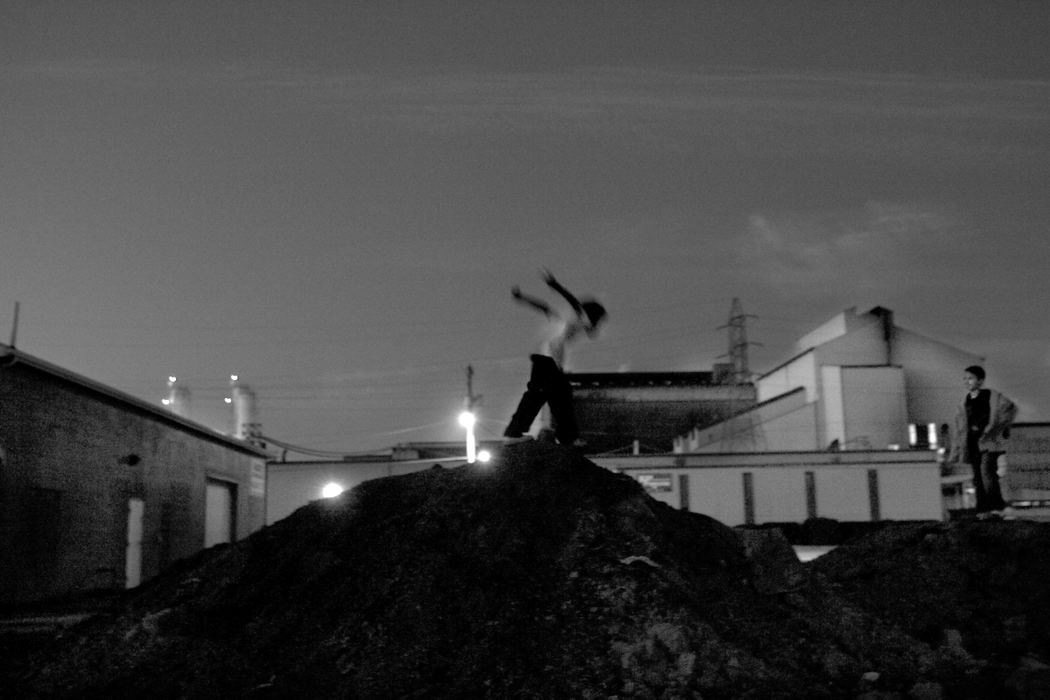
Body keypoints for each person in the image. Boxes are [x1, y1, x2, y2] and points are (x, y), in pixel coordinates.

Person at [503, 269, 607, 447]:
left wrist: (522, 298)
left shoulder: (562, 318)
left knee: (560, 397)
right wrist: (555, 285)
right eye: (598, 321)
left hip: (546, 361)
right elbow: (573, 301)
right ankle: (514, 433)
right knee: (539, 396)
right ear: (593, 317)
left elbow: (542, 306)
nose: (597, 326)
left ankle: (567, 438)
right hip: (546, 361)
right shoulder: (582, 317)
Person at [948, 365, 1017, 519]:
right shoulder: (964, 402)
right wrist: (955, 451)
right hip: (973, 444)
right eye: (965, 378)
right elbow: (960, 428)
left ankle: (997, 507)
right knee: (978, 477)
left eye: (970, 378)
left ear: (980, 381)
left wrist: (996, 429)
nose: (967, 381)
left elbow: (1009, 409)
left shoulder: (992, 396)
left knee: (987, 472)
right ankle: (983, 510)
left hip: (990, 443)